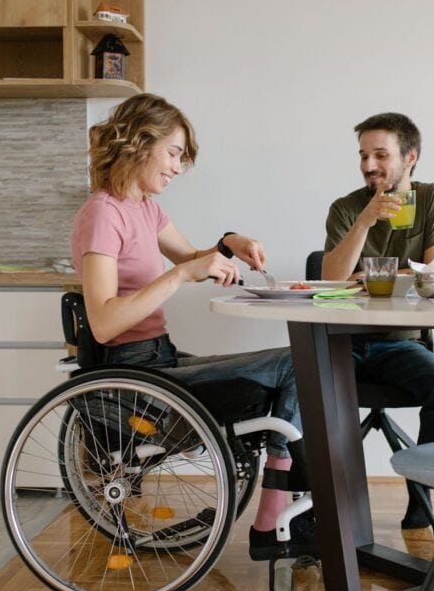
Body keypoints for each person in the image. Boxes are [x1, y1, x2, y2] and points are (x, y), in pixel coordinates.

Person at [72, 93, 314, 560]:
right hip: (133, 376)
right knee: (293, 362)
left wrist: (228, 242)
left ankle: (288, 508)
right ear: (140, 144)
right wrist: (182, 275)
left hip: (160, 357)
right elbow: (103, 323)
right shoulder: (103, 213)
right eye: (174, 153)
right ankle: (280, 515)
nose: (178, 167)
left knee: (297, 362)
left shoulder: (144, 208)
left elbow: (190, 257)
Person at [322, 112, 434, 530]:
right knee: (303, 390)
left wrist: (365, 278)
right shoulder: (347, 208)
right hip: (342, 341)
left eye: (380, 155)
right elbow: (331, 279)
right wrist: (367, 219)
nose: (369, 165)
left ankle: (422, 493)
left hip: (402, 343)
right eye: (364, 155)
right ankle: (332, 512)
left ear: (410, 157)